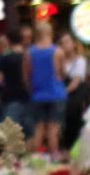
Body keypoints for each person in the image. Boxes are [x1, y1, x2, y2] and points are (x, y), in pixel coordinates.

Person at [25, 22, 67, 155]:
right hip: (56, 94)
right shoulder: (58, 52)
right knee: (53, 130)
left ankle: (37, 159)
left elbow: (26, 77)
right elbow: (62, 74)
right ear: (50, 33)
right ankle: (54, 159)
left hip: (37, 95)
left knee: (38, 129)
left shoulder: (29, 53)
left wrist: (32, 90)